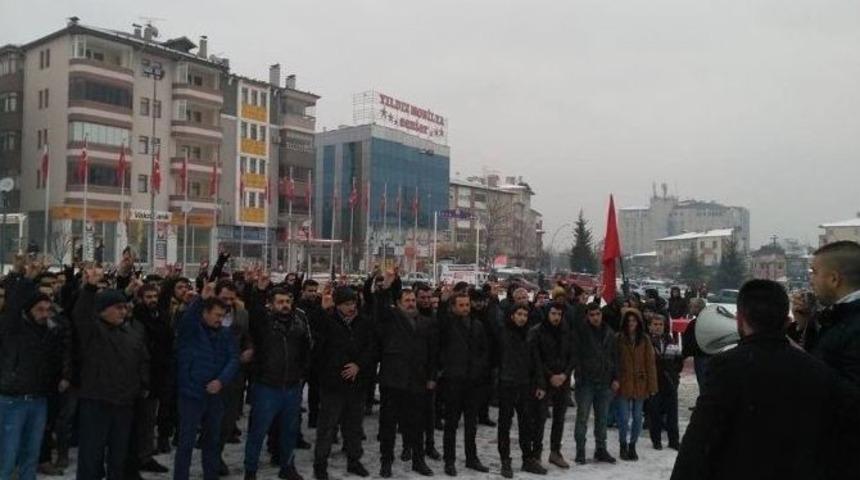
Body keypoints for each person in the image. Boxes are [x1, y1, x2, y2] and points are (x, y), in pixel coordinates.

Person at [670, 280, 850, 480]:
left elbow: (699, 440)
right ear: (787, 322)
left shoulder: (726, 366)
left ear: (739, 319)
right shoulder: (817, 369)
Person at [73, 267, 149, 480]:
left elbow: (139, 362)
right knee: (91, 458)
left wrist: (140, 386)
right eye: (118, 308)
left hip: (123, 404)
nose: (123, 312)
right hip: (97, 403)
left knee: (119, 458)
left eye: (125, 308)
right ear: (102, 310)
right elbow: (81, 314)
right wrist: (89, 287)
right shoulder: (93, 332)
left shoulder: (129, 332)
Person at [0, 262, 69, 480]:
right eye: (39, 309)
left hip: (39, 400)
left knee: (32, 455)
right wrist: (28, 279)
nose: (44, 314)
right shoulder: (14, 329)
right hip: (13, 401)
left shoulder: (51, 332)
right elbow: (12, 306)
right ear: (28, 311)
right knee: (8, 456)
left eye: (48, 309)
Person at [243, 278, 311, 480]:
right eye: (280, 302)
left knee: (289, 430)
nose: (285, 306)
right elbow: (253, 310)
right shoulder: (264, 323)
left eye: (288, 302)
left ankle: (287, 466)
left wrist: (301, 374)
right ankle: (251, 470)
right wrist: (260, 290)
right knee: (258, 430)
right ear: (271, 304)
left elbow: (307, 351)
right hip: (266, 386)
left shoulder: (298, 324)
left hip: (291, 386)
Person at [173, 283, 239, 480]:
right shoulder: (190, 331)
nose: (221, 319)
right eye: (217, 315)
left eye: (223, 316)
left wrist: (221, 380)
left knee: (212, 441)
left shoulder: (225, 334)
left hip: (215, 395)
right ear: (205, 313)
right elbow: (188, 318)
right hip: (191, 394)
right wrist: (200, 299)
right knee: (186, 442)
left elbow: (233, 358)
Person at [374, 274, 437, 478]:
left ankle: (418, 461)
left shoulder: (426, 323)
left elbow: (432, 353)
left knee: (416, 424)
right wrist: (385, 288)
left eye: (412, 300)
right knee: (388, 425)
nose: (411, 304)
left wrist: (431, 376)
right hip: (393, 381)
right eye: (407, 301)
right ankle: (386, 461)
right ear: (398, 304)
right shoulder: (391, 319)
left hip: (417, 381)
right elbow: (380, 306)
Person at [312, 286, 375, 480]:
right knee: (327, 427)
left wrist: (358, 365)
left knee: (354, 426)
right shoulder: (327, 321)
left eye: (353, 303)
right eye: (347, 304)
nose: (351, 308)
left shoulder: (363, 322)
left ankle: (354, 460)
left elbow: (371, 348)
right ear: (338, 305)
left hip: (356, 383)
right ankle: (320, 464)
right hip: (333, 383)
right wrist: (322, 310)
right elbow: (316, 341)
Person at [439, 292, 491, 476]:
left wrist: (479, 369)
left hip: (473, 382)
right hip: (453, 381)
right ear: (453, 307)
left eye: (467, 305)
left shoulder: (477, 325)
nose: (465, 308)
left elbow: (484, 350)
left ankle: (471, 458)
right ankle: (449, 460)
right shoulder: (447, 324)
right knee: (451, 424)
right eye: (461, 305)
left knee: (471, 424)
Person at [495, 305, 543, 478]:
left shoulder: (530, 334)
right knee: (504, 425)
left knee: (526, 424)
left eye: (525, 315)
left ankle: (527, 458)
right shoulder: (503, 333)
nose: (522, 318)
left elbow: (535, 360)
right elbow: (496, 358)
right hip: (507, 383)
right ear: (512, 315)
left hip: (525, 384)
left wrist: (539, 383)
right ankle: (505, 460)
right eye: (519, 314)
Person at [529, 302, 574, 470]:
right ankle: (536, 453)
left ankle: (555, 452)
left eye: (559, 314)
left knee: (559, 418)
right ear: (548, 314)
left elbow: (572, 355)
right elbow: (536, 359)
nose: (556, 317)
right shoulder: (537, 331)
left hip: (563, 380)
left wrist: (564, 375)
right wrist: (550, 376)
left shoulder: (566, 331)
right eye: (553, 313)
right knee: (540, 418)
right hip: (544, 381)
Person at [215, 280, 254, 476]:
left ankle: (217, 454)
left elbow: (246, 337)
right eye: (224, 298)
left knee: (228, 419)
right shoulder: (204, 314)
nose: (228, 302)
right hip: (210, 374)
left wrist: (248, 350)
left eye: (232, 298)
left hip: (234, 374)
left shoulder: (242, 314)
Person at [571, 302, 618, 465]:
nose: (595, 317)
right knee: (582, 418)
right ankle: (580, 450)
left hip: (605, 381)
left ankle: (601, 449)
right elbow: (575, 355)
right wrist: (579, 375)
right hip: (586, 382)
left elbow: (615, 357)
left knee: (602, 418)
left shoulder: (609, 332)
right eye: (592, 315)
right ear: (587, 316)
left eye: (598, 314)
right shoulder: (581, 332)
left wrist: (616, 378)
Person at [615, 308, 657, 461]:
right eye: (628, 321)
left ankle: (632, 445)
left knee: (638, 417)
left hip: (640, 382)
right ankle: (622, 445)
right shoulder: (618, 338)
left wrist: (652, 386)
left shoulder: (644, 339)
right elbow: (614, 361)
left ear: (638, 322)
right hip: (623, 382)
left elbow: (650, 363)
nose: (631, 323)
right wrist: (614, 380)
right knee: (624, 417)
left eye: (633, 321)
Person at [414, 282, 442, 460]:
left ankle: (429, 445)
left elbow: (438, 348)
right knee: (411, 413)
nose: (425, 301)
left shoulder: (435, 317)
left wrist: (435, 372)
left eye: (428, 297)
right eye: (422, 297)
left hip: (430, 371)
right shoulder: (409, 317)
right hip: (411, 371)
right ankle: (410, 446)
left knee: (429, 413)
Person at [646, 314, 682, 451]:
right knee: (654, 412)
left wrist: (674, 376)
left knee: (672, 413)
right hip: (654, 382)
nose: (658, 327)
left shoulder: (671, 340)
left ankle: (674, 440)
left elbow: (679, 361)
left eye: (660, 324)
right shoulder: (647, 341)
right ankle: (656, 440)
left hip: (670, 382)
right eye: (655, 324)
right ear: (650, 326)